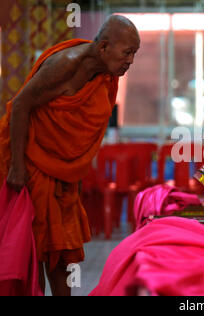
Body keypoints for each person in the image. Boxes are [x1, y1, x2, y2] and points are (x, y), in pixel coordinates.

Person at [0, 15, 140, 295]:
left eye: (134, 54)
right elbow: (20, 107)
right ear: (103, 48)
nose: (130, 61)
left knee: (61, 250)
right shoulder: (64, 65)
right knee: (34, 250)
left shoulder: (103, 76)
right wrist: (16, 166)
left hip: (61, 172)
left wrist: (72, 169)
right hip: (31, 161)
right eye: (127, 53)